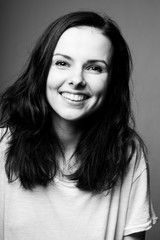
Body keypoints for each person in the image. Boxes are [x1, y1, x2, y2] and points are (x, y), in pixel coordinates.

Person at [0, 11, 158, 240]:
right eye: (62, 63)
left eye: (94, 67)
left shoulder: (128, 153)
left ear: (112, 81)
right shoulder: (2, 146)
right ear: (43, 70)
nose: (77, 79)